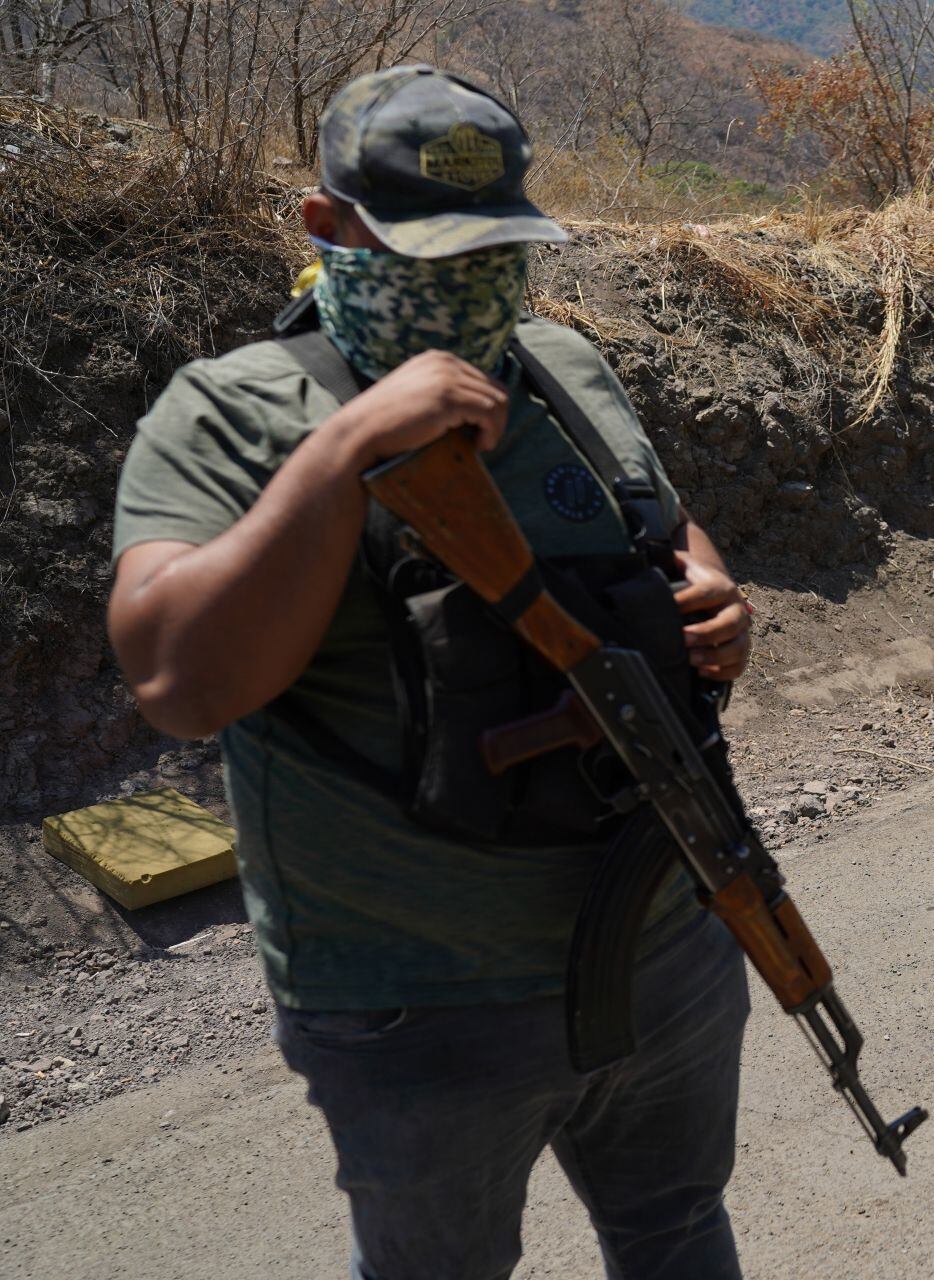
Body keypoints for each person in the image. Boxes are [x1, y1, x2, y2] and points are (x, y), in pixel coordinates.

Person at [108, 66, 755, 1278]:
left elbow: (655, 525)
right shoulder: (231, 413)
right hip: (419, 1002)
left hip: (665, 940)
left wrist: (711, 599)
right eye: (428, 253)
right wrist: (346, 444)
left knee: (676, 1229)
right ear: (326, 227)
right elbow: (181, 684)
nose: (472, 284)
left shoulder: (558, 362)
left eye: (495, 251)